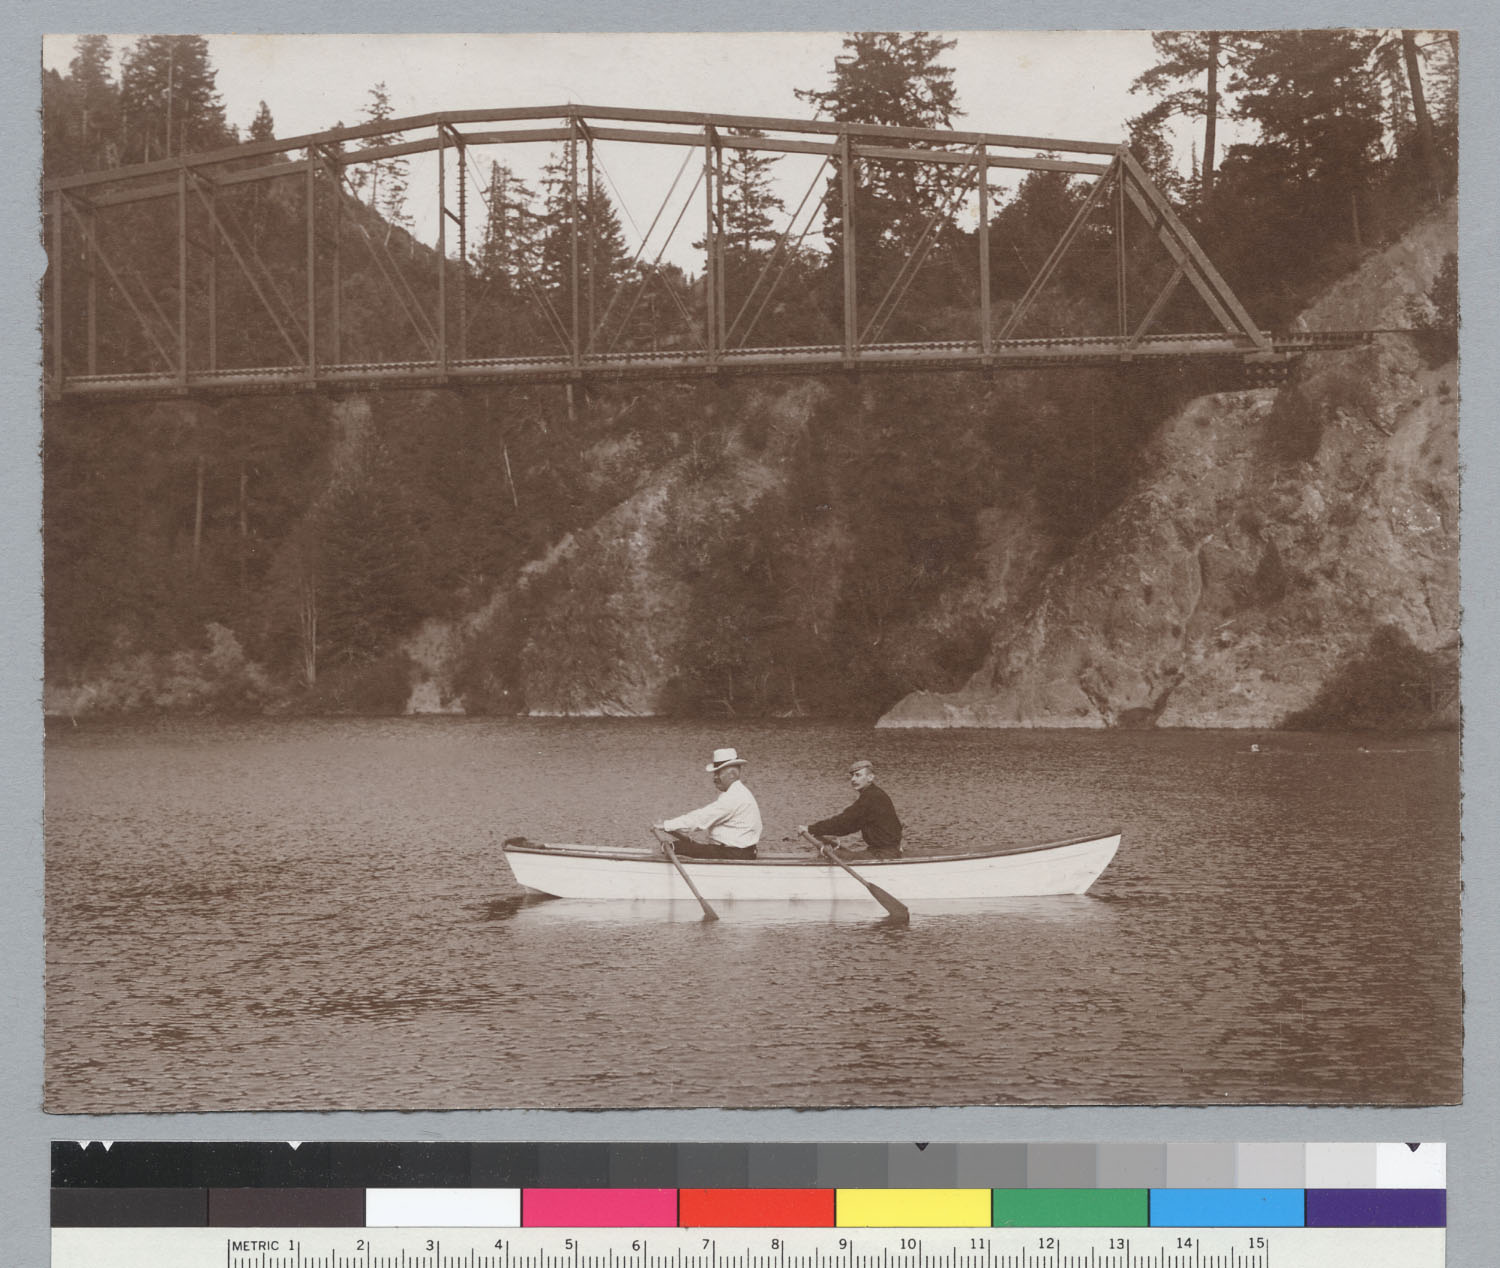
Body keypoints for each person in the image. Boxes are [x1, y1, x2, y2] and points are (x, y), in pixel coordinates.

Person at [654, 747, 762, 860]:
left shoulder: (734, 797)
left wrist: (666, 825)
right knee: (687, 846)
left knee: (676, 847)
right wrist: (670, 827)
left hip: (734, 853)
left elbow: (701, 818)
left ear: (732, 774)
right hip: (737, 851)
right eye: (715, 773)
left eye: (718, 773)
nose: (715, 777)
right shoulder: (737, 792)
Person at [798, 759, 903, 857]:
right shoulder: (873, 794)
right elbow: (850, 825)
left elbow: (844, 823)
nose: (853, 779)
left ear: (870, 777)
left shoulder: (872, 798)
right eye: (852, 775)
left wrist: (811, 829)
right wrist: (819, 831)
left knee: (831, 856)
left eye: (858, 775)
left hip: (884, 853)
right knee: (834, 853)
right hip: (883, 850)